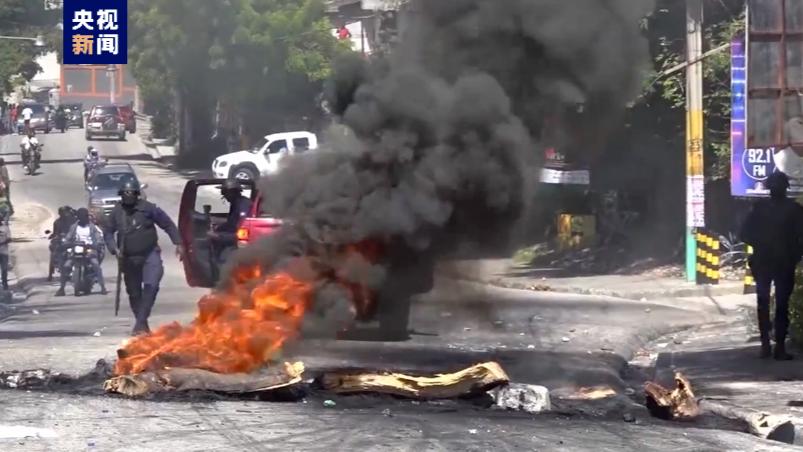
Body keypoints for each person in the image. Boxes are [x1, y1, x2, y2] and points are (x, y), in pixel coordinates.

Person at [104, 181, 182, 335]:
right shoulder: (116, 212)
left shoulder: (148, 208)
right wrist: (114, 248)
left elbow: (167, 224)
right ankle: (142, 325)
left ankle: (139, 323)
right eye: (125, 194)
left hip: (149, 254)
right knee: (134, 293)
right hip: (128, 258)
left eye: (131, 193)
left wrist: (178, 243)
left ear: (137, 194)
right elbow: (108, 232)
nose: (128, 197)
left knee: (151, 286)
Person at [740, 171, 803, 360]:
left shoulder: (760, 209)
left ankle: (767, 345)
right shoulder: (793, 209)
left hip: (768, 261)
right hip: (781, 261)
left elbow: (744, 234)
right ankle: (777, 346)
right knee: (779, 304)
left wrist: (760, 244)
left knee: (765, 302)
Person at [56, 208, 107, 296]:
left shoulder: (92, 227)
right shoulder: (74, 227)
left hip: (89, 249)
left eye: (84, 216)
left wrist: (97, 244)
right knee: (66, 266)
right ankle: (61, 288)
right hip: (76, 248)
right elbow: (68, 237)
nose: (83, 218)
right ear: (78, 217)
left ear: (87, 217)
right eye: (81, 217)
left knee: (95, 264)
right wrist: (66, 243)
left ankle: (102, 287)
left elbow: (98, 237)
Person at [207, 179, 251, 265]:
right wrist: (218, 228)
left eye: (225, 192)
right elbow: (231, 223)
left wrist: (219, 236)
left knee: (223, 258)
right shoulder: (236, 204)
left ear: (233, 192)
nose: (224, 195)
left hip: (239, 243)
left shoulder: (244, 206)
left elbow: (242, 234)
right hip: (233, 238)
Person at [0, 211, 10, 290]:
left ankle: (5, 283)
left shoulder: (5, 228)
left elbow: (9, 239)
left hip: (4, 252)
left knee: (4, 269)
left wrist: (2, 243)